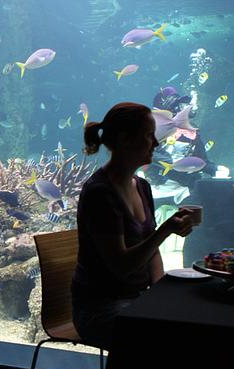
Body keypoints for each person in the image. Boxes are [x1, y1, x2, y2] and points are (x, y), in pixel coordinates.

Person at [71, 102, 196, 350]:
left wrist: (159, 294)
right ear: (125, 139)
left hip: (136, 299)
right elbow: (121, 266)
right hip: (100, 307)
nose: (156, 143)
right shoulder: (100, 193)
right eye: (149, 136)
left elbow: (152, 253)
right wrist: (166, 230)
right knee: (172, 339)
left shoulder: (142, 186)